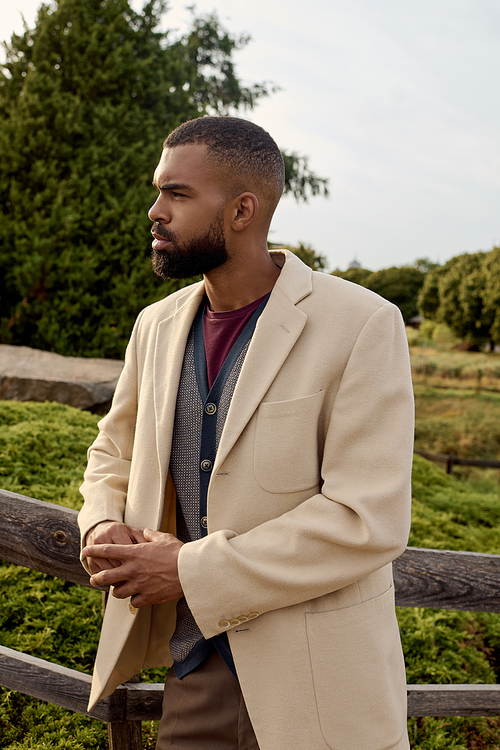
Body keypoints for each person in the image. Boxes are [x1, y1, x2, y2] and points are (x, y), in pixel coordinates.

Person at [79, 116, 414, 750]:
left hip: (322, 686)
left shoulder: (363, 324)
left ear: (241, 211)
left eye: (177, 195)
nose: (155, 211)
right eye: (159, 192)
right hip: (194, 672)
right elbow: (111, 451)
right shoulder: (154, 325)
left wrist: (189, 570)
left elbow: (367, 518)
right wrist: (100, 523)